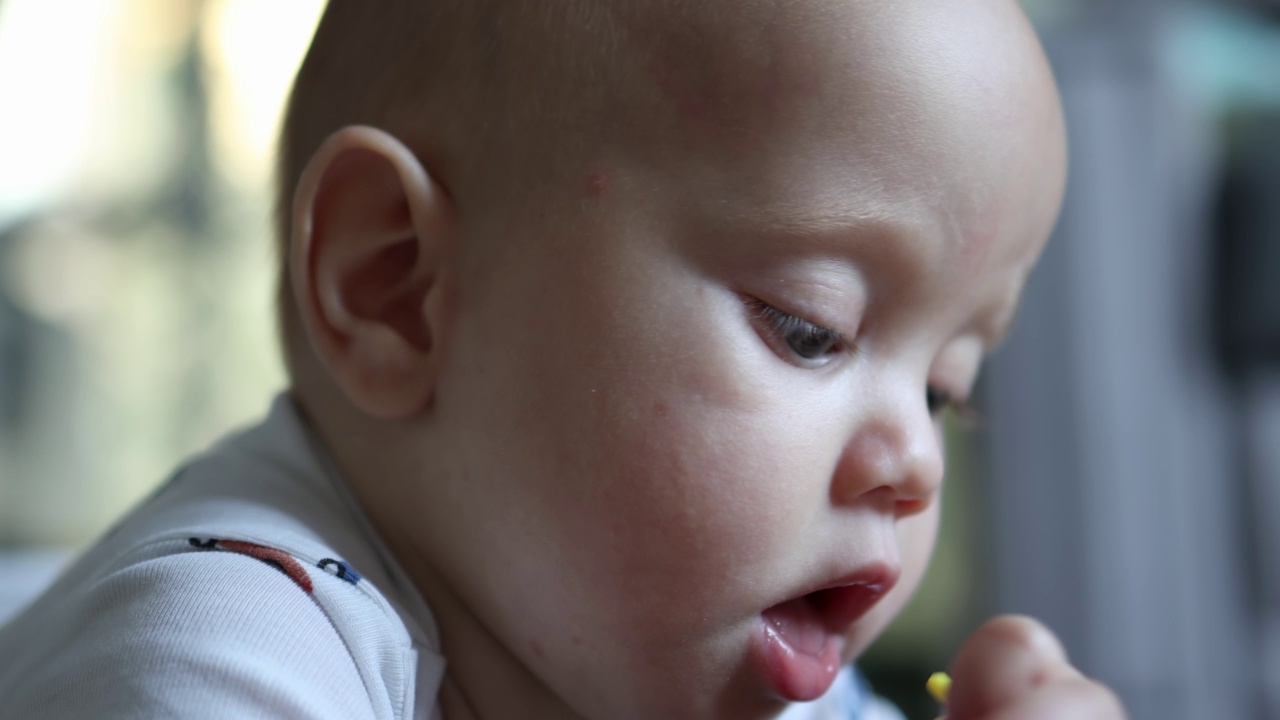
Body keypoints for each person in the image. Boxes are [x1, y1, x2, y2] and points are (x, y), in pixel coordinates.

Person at [0, 0, 1127, 718]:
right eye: (808, 329)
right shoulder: (217, 652)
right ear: (396, 288)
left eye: (943, 391)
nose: (912, 463)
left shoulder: (727, 679)